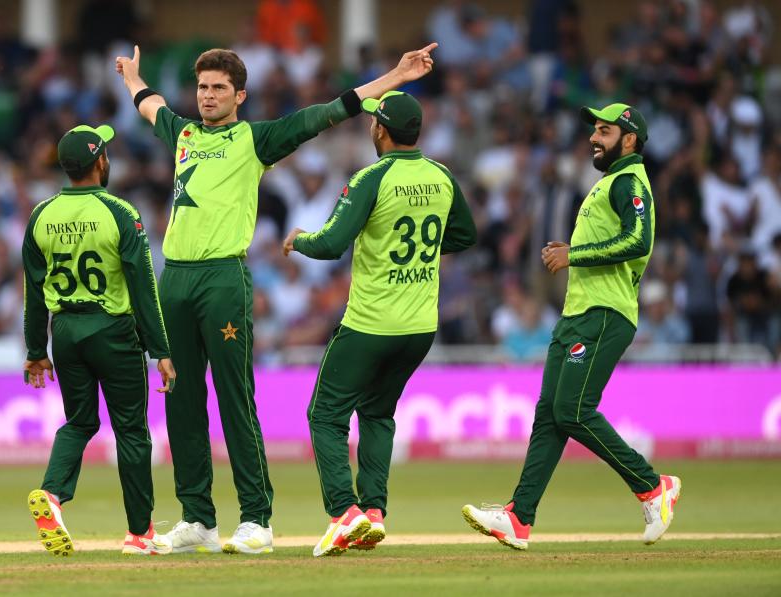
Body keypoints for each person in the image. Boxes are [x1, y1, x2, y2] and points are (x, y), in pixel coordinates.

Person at [115, 42, 437, 554]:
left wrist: (394, 76)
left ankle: (256, 519)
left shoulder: (255, 139)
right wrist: (133, 77)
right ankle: (197, 517)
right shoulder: (182, 133)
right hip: (172, 279)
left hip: (223, 280)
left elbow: (328, 113)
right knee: (180, 399)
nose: (208, 96)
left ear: (239, 94)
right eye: (202, 87)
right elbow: (148, 102)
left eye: (219, 88)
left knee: (234, 396)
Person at [462, 104, 681, 550]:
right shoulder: (608, 183)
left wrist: (573, 255)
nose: (593, 138)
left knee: (573, 411)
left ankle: (652, 486)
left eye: (605, 131)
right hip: (578, 313)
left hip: (605, 313)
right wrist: (574, 248)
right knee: (550, 415)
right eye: (594, 130)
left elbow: (639, 241)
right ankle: (519, 518)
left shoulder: (629, 182)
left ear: (630, 140)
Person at [283, 90, 477, 556]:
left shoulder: (372, 177)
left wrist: (300, 240)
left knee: (324, 415)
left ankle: (344, 514)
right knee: (377, 413)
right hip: (418, 328)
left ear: (381, 130)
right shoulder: (441, 176)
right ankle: (373, 513)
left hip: (371, 323)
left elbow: (331, 245)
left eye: (374, 122)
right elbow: (465, 234)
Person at [21, 124, 176, 556]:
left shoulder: (40, 215)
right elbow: (143, 285)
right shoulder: (121, 212)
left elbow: (33, 292)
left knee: (80, 423)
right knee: (130, 431)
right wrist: (161, 350)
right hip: (113, 330)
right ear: (101, 162)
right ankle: (140, 534)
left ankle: (52, 494)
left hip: (65, 332)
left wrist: (36, 351)